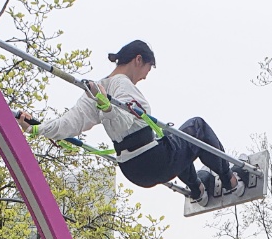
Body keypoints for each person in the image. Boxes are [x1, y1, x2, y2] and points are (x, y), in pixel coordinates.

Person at [14, 39, 244, 202]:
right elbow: (123, 122)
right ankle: (230, 180)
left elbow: (68, 124)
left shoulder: (96, 89)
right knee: (197, 127)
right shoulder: (121, 85)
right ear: (138, 60)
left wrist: (36, 128)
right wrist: (106, 107)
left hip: (133, 171)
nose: (144, 77)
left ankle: (198, 190)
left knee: (173, 140)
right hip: (153, 161)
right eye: (147, 70)